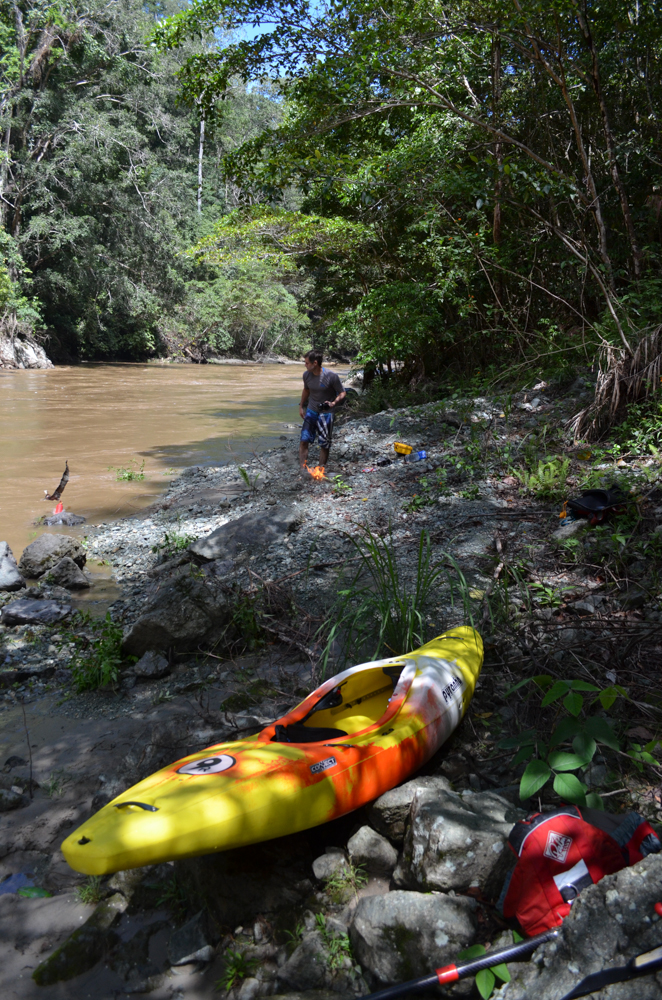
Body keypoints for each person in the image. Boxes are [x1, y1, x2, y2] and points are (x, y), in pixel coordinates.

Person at [299, 350, 346, 471]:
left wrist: (334, 403)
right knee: (304, 440)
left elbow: (342, 392)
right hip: (311, 410)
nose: (305, 365)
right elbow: (306, 390)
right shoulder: (306, 375)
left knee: (324, 444)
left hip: (326, 413)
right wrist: (301, 406)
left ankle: (320, 471)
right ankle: (302, 469)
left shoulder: (331, 376)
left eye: (307, 363)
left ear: (315, 363)